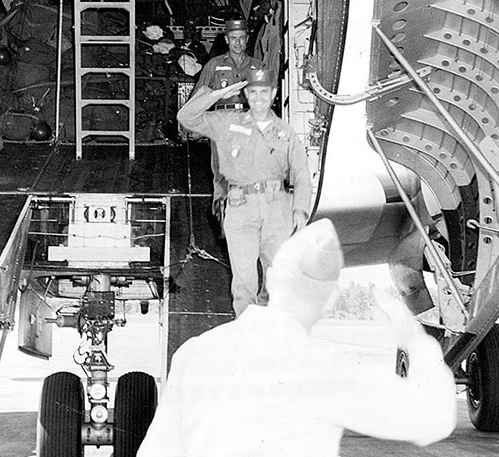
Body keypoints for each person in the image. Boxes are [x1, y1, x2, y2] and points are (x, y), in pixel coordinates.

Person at [137, 219, 457, 457]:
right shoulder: (326, 368)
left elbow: (157, 451)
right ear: (331, 299)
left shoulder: (193, 354)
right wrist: (415, 339)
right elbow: (434, 419)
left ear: (272, 278)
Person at [178, 64, 311, 316]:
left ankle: (270, 332)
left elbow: (301, 173)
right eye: (253, 93)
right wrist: (217, 94)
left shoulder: (285, 131)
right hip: (241, 209)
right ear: (245, 94)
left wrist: (300, 210)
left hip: (278, 210)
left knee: (277, 279)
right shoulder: (226, 123)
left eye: (264, 92)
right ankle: (247, 333)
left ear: (273, 94)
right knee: (244, 281)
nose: (259, 99)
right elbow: (186, 117)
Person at [190, 17, 258, 203]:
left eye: (242, 38)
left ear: (247, 38)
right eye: (233, 38)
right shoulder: (213, 65)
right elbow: (199, 96)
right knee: (221, 173)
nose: (238, 42)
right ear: (227, 39)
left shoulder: (257, 66)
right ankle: (222, 218)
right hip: (221, 121)